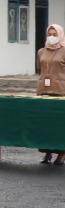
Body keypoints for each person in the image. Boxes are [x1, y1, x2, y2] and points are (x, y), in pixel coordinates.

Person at [37, 24, 65, 165]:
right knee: (44, 124)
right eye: (50, 34)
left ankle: (61, 153)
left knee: (59, 124)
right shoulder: (41, 51)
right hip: (44, 91)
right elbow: (39, 69)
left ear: (60, 35)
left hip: (61, 92)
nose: (52, 37)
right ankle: (47, 152)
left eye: (55, 34)